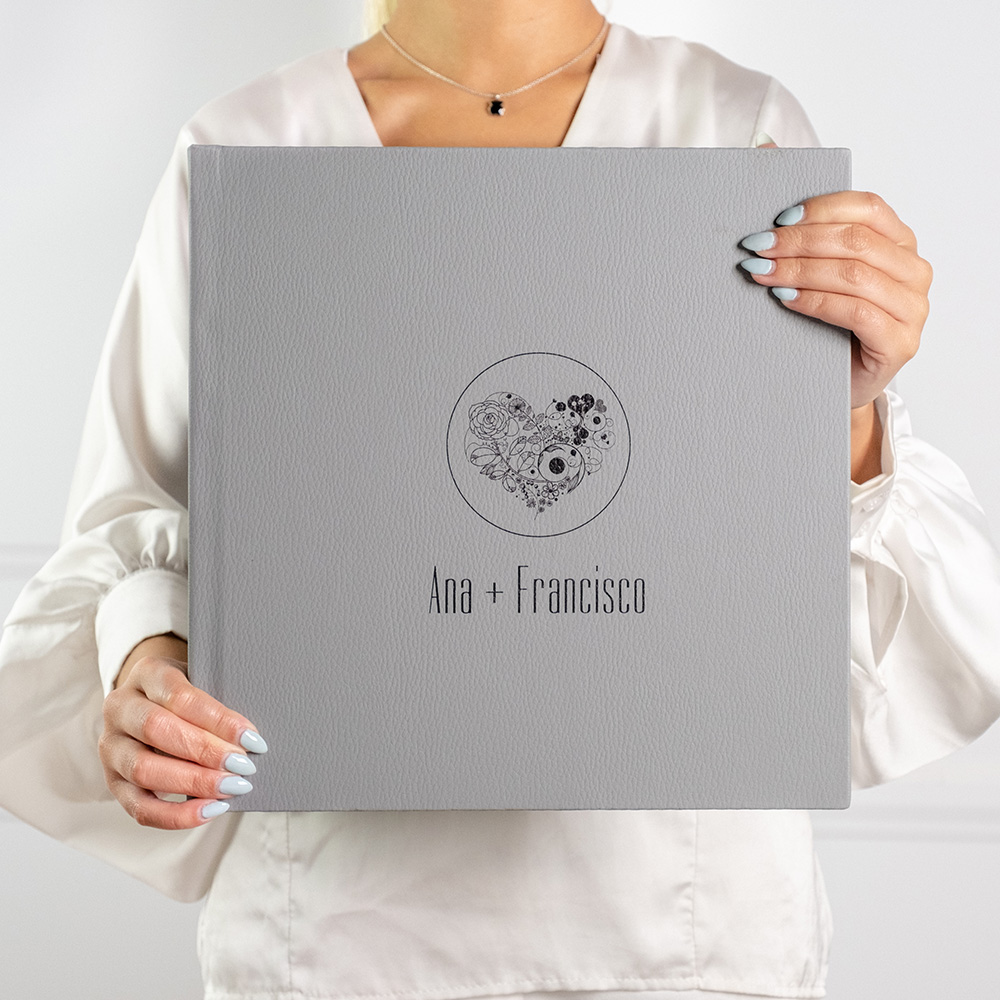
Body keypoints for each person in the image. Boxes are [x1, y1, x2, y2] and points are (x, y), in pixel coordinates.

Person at [2, 0, 999, 997]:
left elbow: (805, 633)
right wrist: (149, 669)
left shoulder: (735, 128)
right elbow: (133, 523)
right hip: (336, 938)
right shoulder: (246, 146)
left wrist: (844, 411)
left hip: (688, 938)